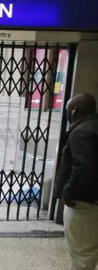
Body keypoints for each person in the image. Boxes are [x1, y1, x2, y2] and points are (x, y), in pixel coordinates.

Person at [55, 93, 98, 270]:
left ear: (74, 110)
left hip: (83, 204)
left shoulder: (81, 132)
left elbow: (83, 168)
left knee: (82, 254)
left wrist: (69, 192)